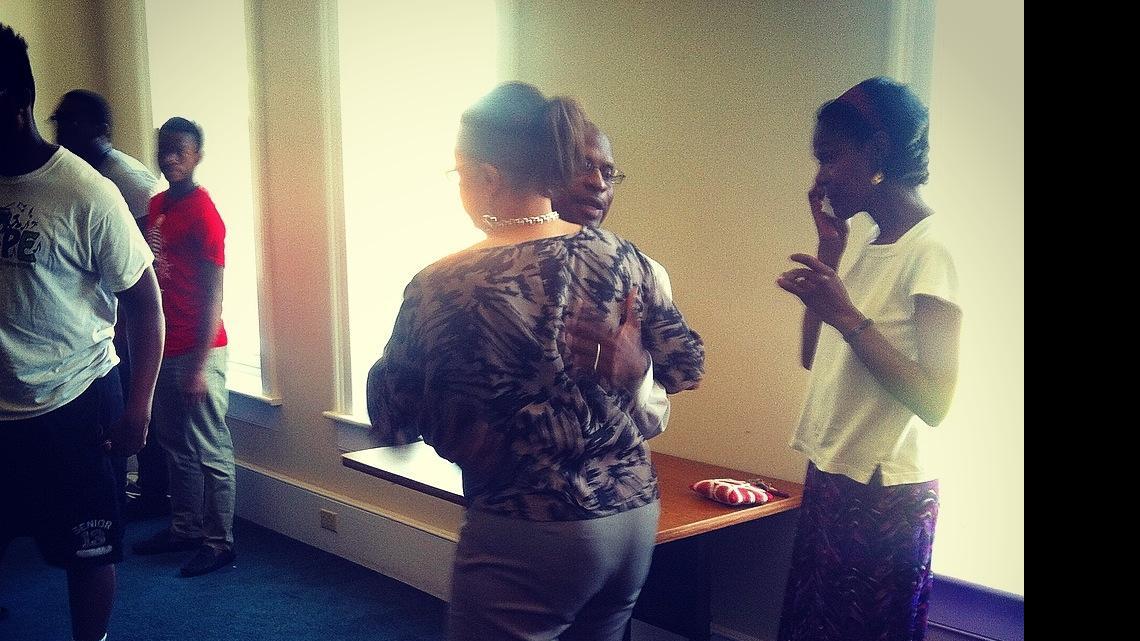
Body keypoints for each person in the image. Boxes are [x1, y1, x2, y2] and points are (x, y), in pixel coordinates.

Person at [366, 82, 705, 641]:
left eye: (458, 174)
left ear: (488, 177)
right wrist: (634, 364)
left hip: (530, 527)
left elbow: (391, 412)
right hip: (631, 516)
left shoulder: (444, 283)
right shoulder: (626, 257)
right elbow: (687, 365)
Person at [774, 77, 962, 641]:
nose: (822, 176)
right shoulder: (871, 245)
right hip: (837, 473)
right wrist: (831, 252)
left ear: (878, 150)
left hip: (885, 494)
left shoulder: (932, 249)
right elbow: (813, 355)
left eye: (832, 156)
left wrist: (849, 316)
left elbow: (936, 401)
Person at [1, 22, 165, 641]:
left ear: (17, 103)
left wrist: (139, 407)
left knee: (88, 551)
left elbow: (146, 306)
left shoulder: (86, 193)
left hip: (75, 402)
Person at [51, 88, 169, 520]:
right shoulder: (84, 175)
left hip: (135, 320)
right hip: (111, 321)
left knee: (141, 411)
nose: (62, 133)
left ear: (100, 129)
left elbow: (148, 260)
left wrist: (126, 322)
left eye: (72, 124)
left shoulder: (127, 181)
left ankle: (152, 496)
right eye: (59, 123)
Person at [131, 117, 236, 579]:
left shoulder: (205, 214)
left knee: (211, 449)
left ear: (197, 157)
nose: (170, 157)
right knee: (174, 445)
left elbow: (215, 295)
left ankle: (220, 543)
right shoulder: (156, 205)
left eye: (181, 150)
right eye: (164, 149)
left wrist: (198, 367)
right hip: (165, 345)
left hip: (200, 350)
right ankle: (185, 528)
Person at [551, 122, 676, 439]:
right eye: (583, 165)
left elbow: (655, 422)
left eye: (608, 173)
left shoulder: (646, 275)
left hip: (608, 465)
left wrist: (637, 373)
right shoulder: (491, 276)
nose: (598, 182)